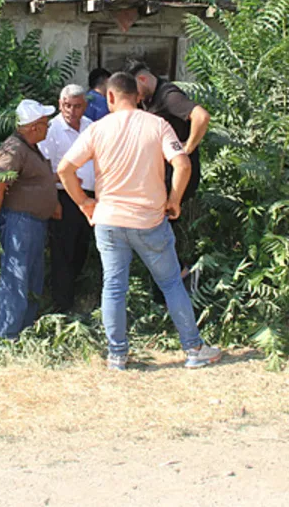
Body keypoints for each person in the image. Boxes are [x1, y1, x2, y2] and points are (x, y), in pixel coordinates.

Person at [58, 72, 222, 371]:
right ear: (137, 95)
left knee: (114, 286)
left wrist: (84, 203)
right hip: (149, 220)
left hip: (108, 220)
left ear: (110, 97)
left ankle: (117, 355)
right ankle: (194, 349)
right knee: (172, 282)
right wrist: (173, 200)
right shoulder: (157, 124)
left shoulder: (97, 129)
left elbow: (64, 168)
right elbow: (182, 163)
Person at [0, 99, 61, 339]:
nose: (48, 128)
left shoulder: (30, 148)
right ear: (34, 127)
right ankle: (8, 335)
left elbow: (35, 180)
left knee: (32, 279)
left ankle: (24, 332)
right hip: (20, 223)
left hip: (34, 223)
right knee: (16, 278)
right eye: (45, 123)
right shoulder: (14, 149)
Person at [38, 84, 96, 313]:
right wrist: (53, 201)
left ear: (85, 106)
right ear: (60, 104)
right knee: (63, 251)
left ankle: (75, 297)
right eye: (67, 105)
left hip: (89, 197)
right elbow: (43, 169)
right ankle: (62, 306)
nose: (71, 110)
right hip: (63, 197)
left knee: (82, 247)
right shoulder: (51, 129)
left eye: (77, 105)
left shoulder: (91, 127)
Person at [128, 61, 210, 204]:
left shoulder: (169, 96)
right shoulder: (148, 99)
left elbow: (201, 116)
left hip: (175, 175)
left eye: (135, 91)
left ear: (142, 79)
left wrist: (187, 148)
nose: (136, 97)